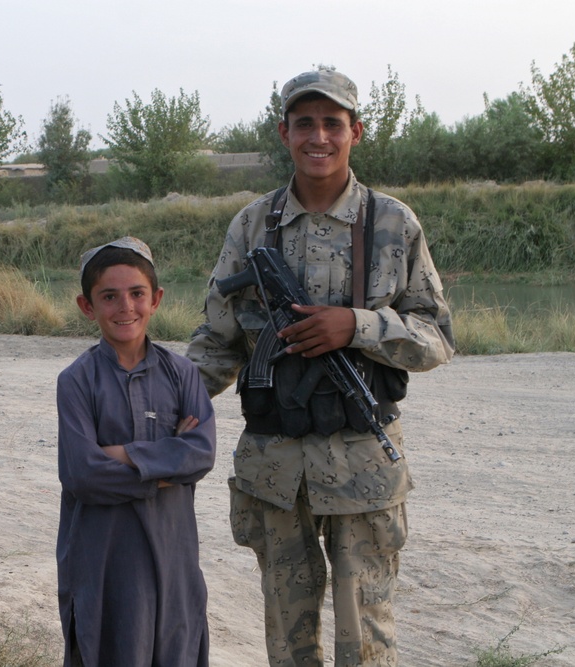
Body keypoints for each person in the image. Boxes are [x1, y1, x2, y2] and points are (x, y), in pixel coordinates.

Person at [186, 67, 455, 666]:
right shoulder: (251, 225)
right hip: (275, 470)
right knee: (287, 639)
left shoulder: (393, 224)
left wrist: (355, 325)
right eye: (304, 123)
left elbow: (436, 338)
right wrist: (161, 405)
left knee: (366, 642)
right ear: (284, 132)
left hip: (363, 462)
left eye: (332, 123)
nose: (318, 137)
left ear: (355, 131)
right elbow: (217, 340)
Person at [56, 237, 217, 667]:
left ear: (157, 299)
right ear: (87, 306)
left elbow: (201, 453)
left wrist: (122, 454)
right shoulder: (76, 381)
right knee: (111, 645)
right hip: (105, 556)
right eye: (109, 296)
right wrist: (164, 469)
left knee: (176, 645)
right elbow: (83, 475)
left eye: (136, 294)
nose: (125, 307)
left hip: (172, 550)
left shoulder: (182, 373)